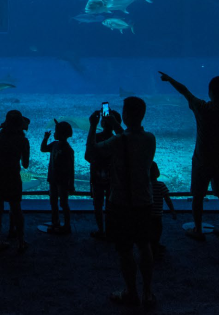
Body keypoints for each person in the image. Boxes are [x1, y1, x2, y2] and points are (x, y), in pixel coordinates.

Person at [85, 97, 158, 310]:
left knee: (125, 250)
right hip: (144, 201)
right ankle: (148, 292)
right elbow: (127, 137)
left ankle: (131, 292)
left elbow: (91, 154)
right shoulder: (150, 139)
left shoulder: (117, 142)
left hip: (120, 203)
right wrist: (117, 124)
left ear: (125, 115)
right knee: (144, 246)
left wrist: (92, 125)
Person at [159, 72, 219, 241]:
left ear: (210, 91)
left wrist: (170, 79)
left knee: (197, 196)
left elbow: (184, 90)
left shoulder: (202, 108)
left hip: (202, 160)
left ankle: (198, 229)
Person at [0, 110, 31, 254]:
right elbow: (25, 164)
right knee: (16, 208)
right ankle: (20, 242)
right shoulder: (23, 140)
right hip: (12, 176)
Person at [41, 119, 75, 234]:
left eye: (56, 131)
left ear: (62, 134)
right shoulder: (54, 144)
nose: (54, 133)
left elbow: (71, 168)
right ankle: (55, 222)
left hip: (63, 181)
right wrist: (46, 138)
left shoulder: (68, 149)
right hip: (53, 179)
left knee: (63, 203)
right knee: (53, 201)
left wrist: (71, 184)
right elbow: (43, 149)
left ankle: (67, 225)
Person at [86, 113, 117, 240]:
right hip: (114, 179)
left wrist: (92, 125)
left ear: (102, 123)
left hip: (97, 178)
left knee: (98, 205)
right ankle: (111, 232)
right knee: (112, 205)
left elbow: (88, 156)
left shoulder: (97, 138)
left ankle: (101, 230)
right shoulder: (118, 139)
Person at [149, 162, 177, 257]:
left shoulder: (145, 186)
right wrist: (172, 211)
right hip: (157, 215)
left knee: (149, 230)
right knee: (157, 230)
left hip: (146, 213)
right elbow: (167, 199)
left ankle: (152, 245)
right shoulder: (161, 185)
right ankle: (155, 247)